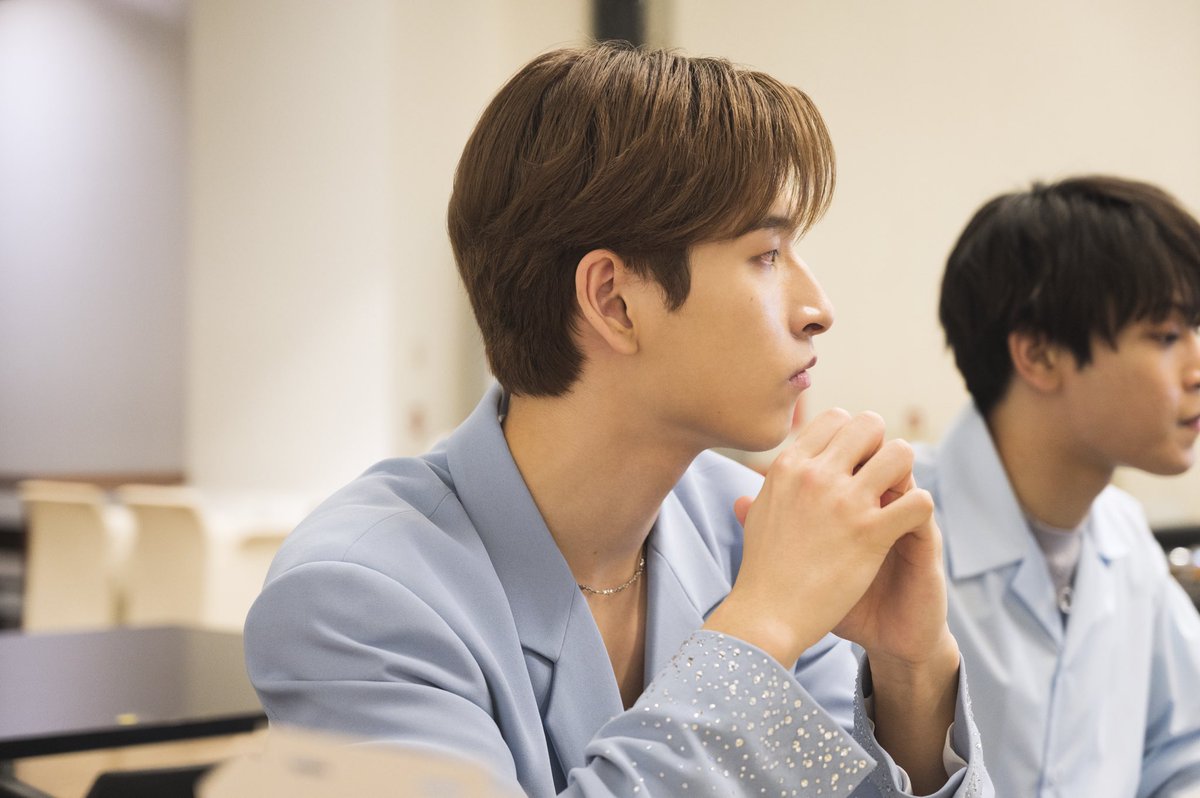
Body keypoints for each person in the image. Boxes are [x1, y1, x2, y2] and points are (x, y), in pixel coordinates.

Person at [244, 43, 991, 797]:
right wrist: (761, 626)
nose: (817, 308)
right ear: (614, 301)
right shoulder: (353, 596)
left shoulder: (749, 529)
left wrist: (911, 673)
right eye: (766, 254)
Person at [920, 175, 1200, 797]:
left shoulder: (1124, 536)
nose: (1196, 367)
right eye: (1165, 336)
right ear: (1040, 355)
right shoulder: (889, 523)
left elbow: (1184, 751)